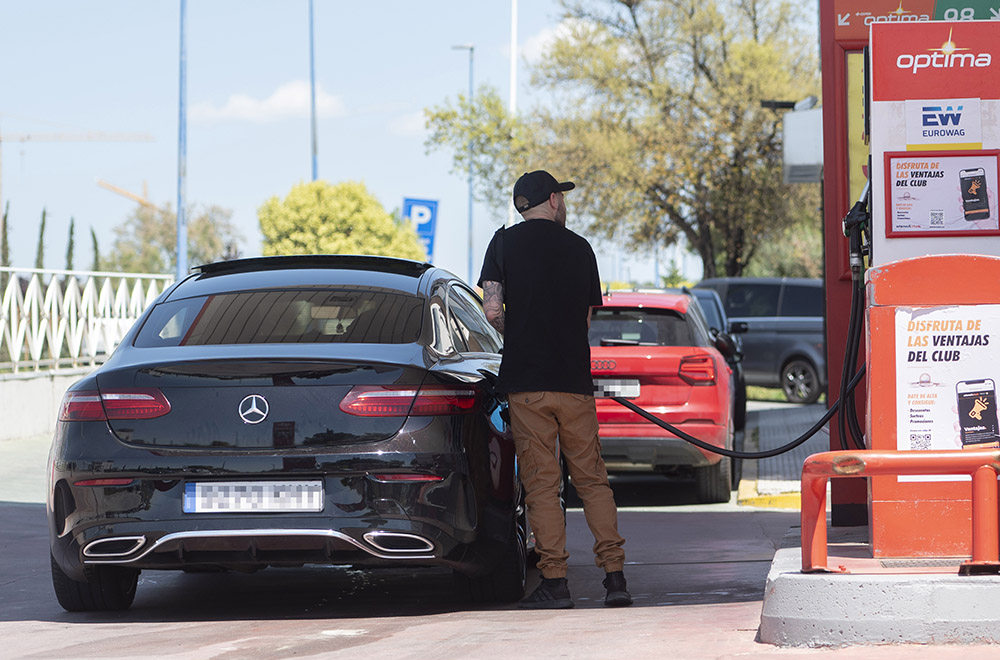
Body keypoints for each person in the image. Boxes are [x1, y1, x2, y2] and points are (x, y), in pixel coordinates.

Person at [478, 169, 631, 609]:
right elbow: (585, 321)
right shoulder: (581, 248)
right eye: (562, 198)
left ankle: (555, 583)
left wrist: (519, 330)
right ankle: (615, 578)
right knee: (593, 480)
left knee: (543, 486)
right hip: (574, 383)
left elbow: (490, 311)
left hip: (527, 385)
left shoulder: (502, 244)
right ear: (552, 200)